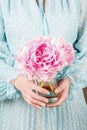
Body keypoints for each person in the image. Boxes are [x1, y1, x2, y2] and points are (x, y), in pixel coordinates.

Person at [0, 0, 87, 130]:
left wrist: (70, 80)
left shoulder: (78, 3)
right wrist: (16, 80)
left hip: (70, 113)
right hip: (19, 116)